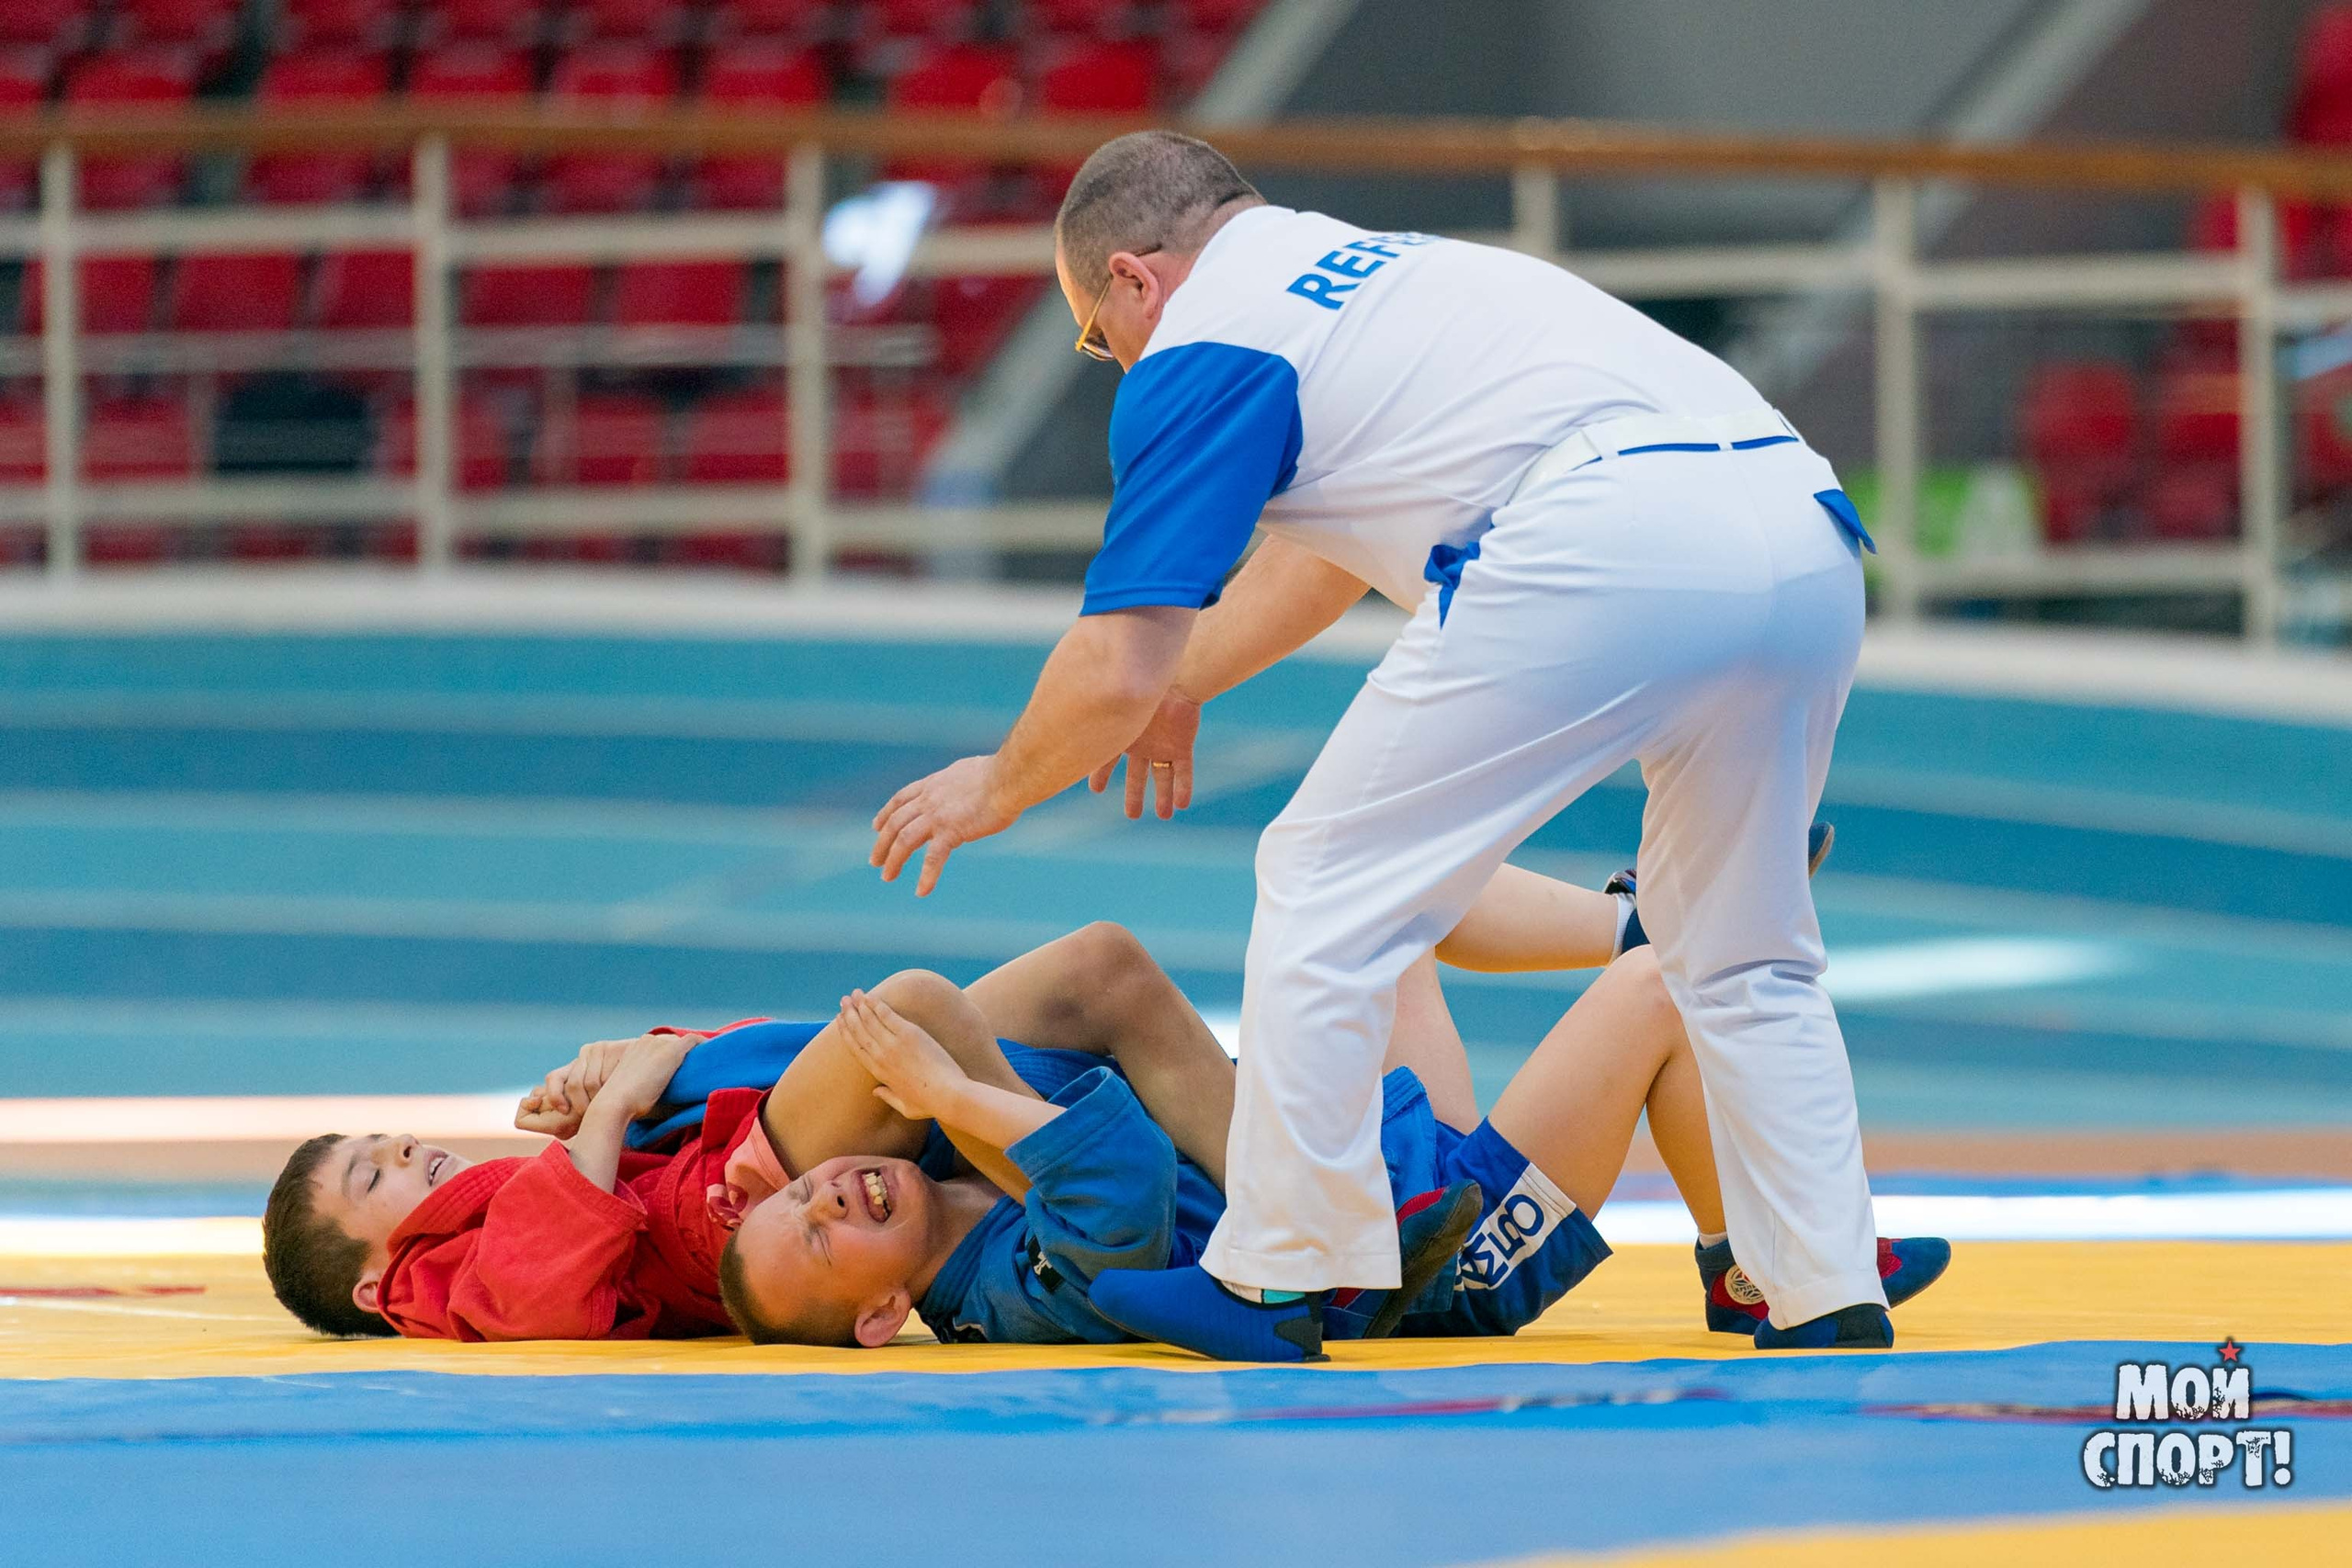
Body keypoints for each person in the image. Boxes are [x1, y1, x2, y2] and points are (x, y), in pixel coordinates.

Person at [868, 130, 1889, 1357]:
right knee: (1744, 950)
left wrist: (997, 783)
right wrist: (1183, 681)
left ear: (1135, 279)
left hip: (1609, 535)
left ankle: (1276, 1277)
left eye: (1100, 335)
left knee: (1322, 878)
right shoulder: (1377, 275)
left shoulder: (1203, 343)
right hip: (1803, 527)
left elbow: (1114, 662)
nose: (1115, 361)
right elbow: (1322, 555)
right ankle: (1826, 1288)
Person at [718, 940, 1949, 1353]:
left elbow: (1097, 984)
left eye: (803, 1195)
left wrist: (657, 1072)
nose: (829, 1197)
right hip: (1433, 1262)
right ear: (879, 1316)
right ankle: (1756, 1264)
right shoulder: (1007, 1297)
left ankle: (1641, 903)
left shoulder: (947, 1148)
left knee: (1390, 888)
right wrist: (950, 1089)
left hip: (1381, 1159)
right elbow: (1122, 1178)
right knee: (1663, 991)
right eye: (820, 1239)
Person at [257, 923, 1238, 1341]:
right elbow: (542, 1287)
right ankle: (1078, 1197)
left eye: (384, 1141)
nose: (400, 1152)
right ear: (372, 1281)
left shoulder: (483, 1212)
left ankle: (1283, 1214)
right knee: (911, 1010)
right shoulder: (434, 1293)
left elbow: (613, 1173)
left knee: (1099, 968)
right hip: (743, 1209)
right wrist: (615, 1104)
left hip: (731, 1154)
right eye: (371, 1177)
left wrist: (620, 1091)